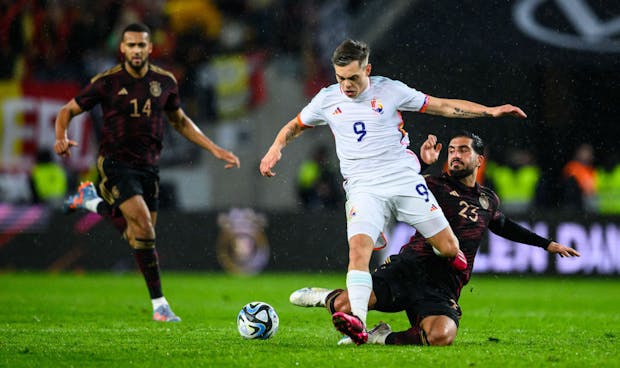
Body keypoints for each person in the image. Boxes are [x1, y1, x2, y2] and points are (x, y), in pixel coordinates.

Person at [259, 39, 527, 344]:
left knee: (450, 248)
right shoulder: (326, 100)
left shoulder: (389, 90)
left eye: (353, 78)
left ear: (368, 70)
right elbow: (293, 126)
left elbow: (441, 106)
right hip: (363, 188)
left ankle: (339, 294)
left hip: (403, 179)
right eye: (340, 78)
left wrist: (489, 112)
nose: (346, 85)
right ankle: (357, 325)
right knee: (358, 252)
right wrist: (275, 148)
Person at [289, 131, 580, 346]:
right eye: (451, 150)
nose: (455, 155)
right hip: (408, 268)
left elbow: (503, 225)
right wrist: (423, 165)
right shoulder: (431, 185)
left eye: (463, 150)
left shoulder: (487, 199)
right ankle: (324, 296)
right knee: (344, 308)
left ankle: (382, 337)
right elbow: (396, 184)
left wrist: (547, 244)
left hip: (443, 286)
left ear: (479, 159)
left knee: (440, 336)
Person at [54, 23, 240, 322]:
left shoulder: (165, 82)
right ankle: (160, 306)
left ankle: (90, 201)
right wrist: (61, 137)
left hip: (149, 167)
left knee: (137, 237)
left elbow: (180, 121)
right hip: (115, 163)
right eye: (131, 45)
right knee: (144, 227)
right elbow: (67, 111)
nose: (137, 50)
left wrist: (214, 149)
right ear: (123, 48)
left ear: (150, 48)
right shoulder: (107, 82)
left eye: (142, 45)